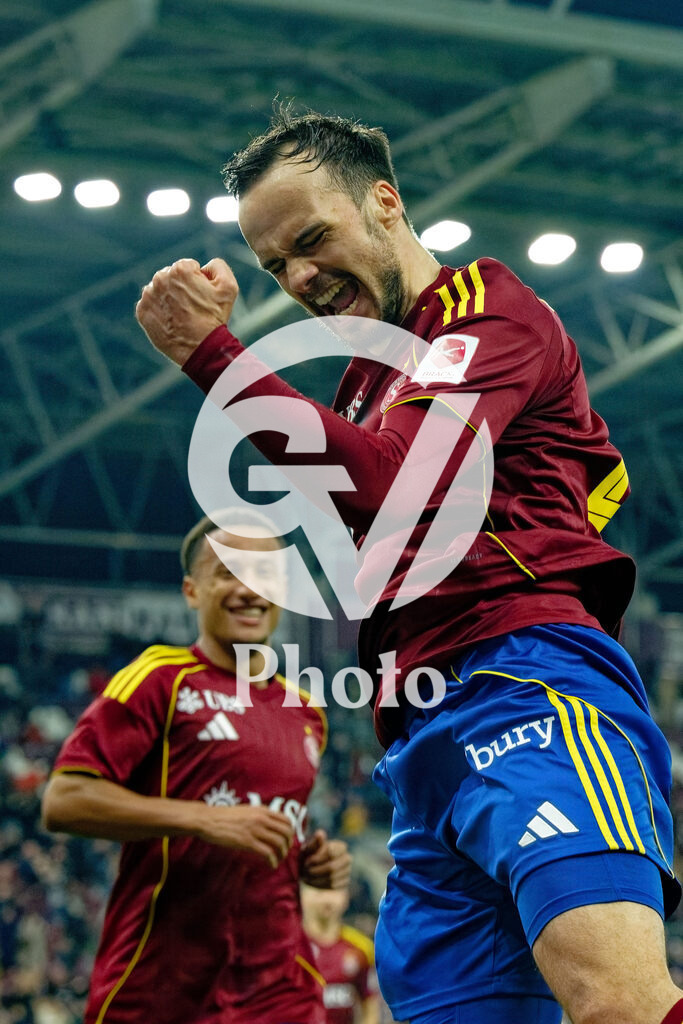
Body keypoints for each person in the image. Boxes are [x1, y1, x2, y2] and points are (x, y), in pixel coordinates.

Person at [134, 105, 683, 1024]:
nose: (301, 277)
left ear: (384, 202)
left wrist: (214, 357)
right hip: (421, 738)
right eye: (276, 267)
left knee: (616, 1002)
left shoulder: (485, 306)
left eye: (313, 239)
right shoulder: (366, 379)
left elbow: (396, 485)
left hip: (528, 684)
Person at [42, 509, 351, 1024]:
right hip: (163, 985)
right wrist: (204, 818)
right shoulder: (158, 678)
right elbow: (64, 800)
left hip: (278, 987)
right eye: (228, 572)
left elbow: (267, 827)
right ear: (191, 590)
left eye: (266, 577)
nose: (250, 591)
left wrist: (312, 861)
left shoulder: (307, 712)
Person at [301, 883, 380, 1024]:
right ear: (303, 896)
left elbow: (370, 1008)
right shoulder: (286, 949)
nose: (327, 899)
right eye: (319, 891)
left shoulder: (361, 948)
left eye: (334, 891)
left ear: (345, 897)